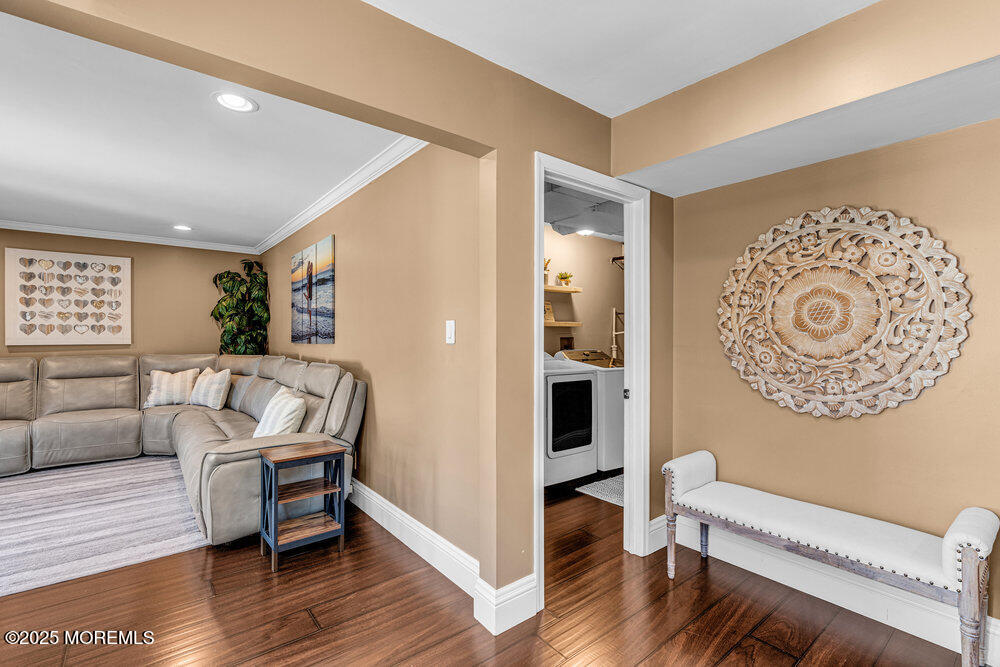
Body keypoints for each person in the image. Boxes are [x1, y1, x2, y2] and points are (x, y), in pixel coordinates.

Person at [305, 259, 314, 343]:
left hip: (309, 294)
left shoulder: (308, 284)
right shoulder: (308, 281)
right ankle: (310, 265)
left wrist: (306, 296)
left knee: (308, 276)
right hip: (309, 294)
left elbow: (308, 295)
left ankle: (310, 322)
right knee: (308, 276)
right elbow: (308, 296)